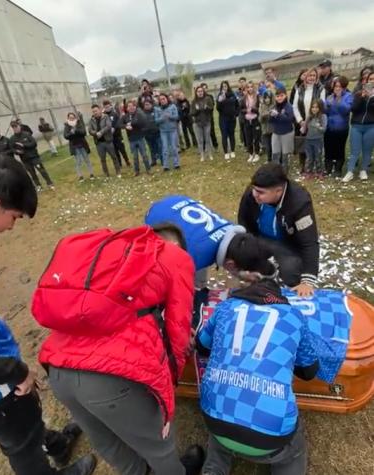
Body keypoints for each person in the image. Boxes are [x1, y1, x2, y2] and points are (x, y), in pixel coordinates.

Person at [0, 156, 94, 475]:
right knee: (20, 442)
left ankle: (55, 444)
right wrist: (18, 371)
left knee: (27, 419)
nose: (11, 226)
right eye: (14, 217)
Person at [38, 223, 204, 475]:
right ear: (177, 247)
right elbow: (179, 329)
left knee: (105, 440)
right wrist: (170, 380)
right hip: (111, 379)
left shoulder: (114, 254)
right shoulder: (174, 258)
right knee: (159, 446)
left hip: (58, 367)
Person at [196, 237, 318, 475]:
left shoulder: (225, 308)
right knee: (294, 451)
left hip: (214, 418)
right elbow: (309, 371)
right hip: (271, 437)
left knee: (220, 437)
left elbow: (202, 346)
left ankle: (213, 468)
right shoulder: (294, 317)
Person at [237, 163, 319, 297]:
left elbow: (309, 242)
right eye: (254, 189)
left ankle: (288, 288)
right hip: (260, 238)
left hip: (288, 244)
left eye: (261, 193)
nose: (255, 194)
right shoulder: (251, 194)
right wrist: (243, 260)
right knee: (244, 254)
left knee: (290, 269)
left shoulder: (299, 201)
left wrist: (307, 281)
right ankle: (262, 278)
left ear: (279, 191)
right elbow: (243, 224)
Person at [343, 71, 374, 182]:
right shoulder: (358, 94)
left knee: (367, 150)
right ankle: (350, 171)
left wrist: (372, 98)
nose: (372, 81)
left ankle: (363, 170)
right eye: (370, 79)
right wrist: (362, 97)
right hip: (357, 125)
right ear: (366, 81)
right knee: (354, 150)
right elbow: (354, 109)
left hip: (370, 126)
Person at [292, 69, 325, 173]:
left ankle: (316, 167)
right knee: (303, 144)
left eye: (313, 75)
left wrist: (312, 121)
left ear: (316, 77)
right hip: (301, 122)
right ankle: (304, 166)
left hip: (314, 123)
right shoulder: (300, 89)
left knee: (315, 145)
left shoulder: (320, 89)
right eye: (309, 75)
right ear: (305, 77)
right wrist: (300, 120)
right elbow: (295, 106)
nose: (311, 77)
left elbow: (322, 106)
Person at [11, 120, 55, 191]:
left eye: (16, 126)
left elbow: (34, 143)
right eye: (14, 128)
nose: (15, 128)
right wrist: (17, 151)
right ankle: (38, 185)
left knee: (42, 170)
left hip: (34, 157)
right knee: (32, 173)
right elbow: (12, 148)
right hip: (25, 159)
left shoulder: (27, 134)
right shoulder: (12, 139)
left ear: (19, 126)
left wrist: (24, 145)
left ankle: (49, 183)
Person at [324, 76, 353, 178]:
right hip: (329, 127)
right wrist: (326, 105)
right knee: (328, 148)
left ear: (344, 88)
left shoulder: (348, 96)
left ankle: (338, 168)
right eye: (336, 86)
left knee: (339, 149)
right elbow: (325, 111)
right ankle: (328, 167)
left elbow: (346, 110)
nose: (337, 89)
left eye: (340, 87)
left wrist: (339, 100)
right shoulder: (330, 96)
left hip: (341, 128)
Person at [88, 105, 121, 177]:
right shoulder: (91, 120)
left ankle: (118, 171)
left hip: (108, 141)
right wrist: (95, 133)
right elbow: (90, 130)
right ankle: (106, 173)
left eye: (96, 111)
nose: (95, 113)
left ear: (99, 110)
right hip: (99, 143)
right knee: (102, 159)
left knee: (114, 157)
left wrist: (101, 132)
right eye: (93, 111)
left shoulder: (105, 116)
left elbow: (108, 126)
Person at [268, 86, 296, 171]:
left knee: (285, 155)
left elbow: (289, 119)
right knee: (275, 154)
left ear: (285, 95)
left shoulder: (289, 106)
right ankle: (276, 172)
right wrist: (271, 116)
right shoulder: (274, 106)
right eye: (277, 96)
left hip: (286, 133)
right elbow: (271, 121)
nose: (279, 98)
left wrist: (278, 115)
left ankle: (284, 172)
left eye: (281, 95)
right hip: (276, 133)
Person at [121, 100, 152, 176]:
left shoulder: (139, 114)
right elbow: (118, 124)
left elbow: (143, 123)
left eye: (132, 106)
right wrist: (126, 126)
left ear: (135, 107)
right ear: (127, 108)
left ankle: (148, 169)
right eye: (129, 106)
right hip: (131, 140)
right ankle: (136, 171)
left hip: (140, 138)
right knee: (135, 157)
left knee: (144, 155)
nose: (131, 108)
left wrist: (131, 124)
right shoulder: (125, 116)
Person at [63, 112, 94, 182]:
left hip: (82, 145)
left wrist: (76, 131)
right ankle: (80, 176)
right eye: (70, 118)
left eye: (73, 117)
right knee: (78, 161)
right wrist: (71, 132)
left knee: (87, 159)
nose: (71, 119)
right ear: (68, 118)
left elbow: (84, 132)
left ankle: (91, 174)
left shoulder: (79, 123)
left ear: (75, 117)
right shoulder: (67, 126)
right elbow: (65, 136)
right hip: (74, 146)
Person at [155, 94, 181, 171]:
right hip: (163, 132)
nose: (162, 100)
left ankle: (176, 164)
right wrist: (162, 118)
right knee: (165, 148)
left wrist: (170, 116)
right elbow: (156, 121)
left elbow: (176, 117)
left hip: (172, 130)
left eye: (164, 99)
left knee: (174, 147)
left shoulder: (172, 107)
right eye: (161, 99)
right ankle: (165, 166)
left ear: (167, 99)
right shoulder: (157, 109)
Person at [103, 100, 131, 167]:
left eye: (108, 106)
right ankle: (119, 163)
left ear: (110, 106)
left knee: (122, 149)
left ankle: (127, 161)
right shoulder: (104, 115)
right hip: (110, 137)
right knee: (115, 151)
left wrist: (114, 128)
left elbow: (118, 122)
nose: (107, 108)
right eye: (106, 107)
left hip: (118, 135)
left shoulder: (114, 113)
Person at [303, 99, 327, 178]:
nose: (314, 109)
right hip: (308, 140)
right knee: (309, 157)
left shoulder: (323, 117)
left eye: (317, 107)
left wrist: (318, 127)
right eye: (313, 107)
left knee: (318, 157)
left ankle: (319, 171)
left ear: (320, 108)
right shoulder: (309, 117)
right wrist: (303, 127)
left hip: (318, 140)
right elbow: (304, 128)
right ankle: (309, 171)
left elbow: (324, 129)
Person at [191, 86, 215, 162]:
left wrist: (207, 107)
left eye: (201, 91)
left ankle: (210, 154)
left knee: (207, 139)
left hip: (207, 122)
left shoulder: (208, 99)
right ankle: (202, 155)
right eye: (198, 91)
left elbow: (212, 108)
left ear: (203, 92)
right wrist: (197, 110)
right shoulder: (194, 101)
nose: (200, 92)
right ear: (196, 93)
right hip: (198, 123)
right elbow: (191, 113)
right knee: (200, 140)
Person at [217, 81, 239, 159]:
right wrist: (220, 100)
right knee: (224, 135)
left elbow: (237, 105)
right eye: (223, 87)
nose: (224, 88)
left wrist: (236, 113)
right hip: (223, 119)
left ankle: (232, 151)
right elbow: (218, 108)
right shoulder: (220, 96)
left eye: (225, 86)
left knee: (231, 134)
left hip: (232, 118)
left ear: (228, 86)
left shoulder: (233, 95)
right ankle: (226, 152)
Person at [241, 83, 262, 163]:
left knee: (256, 137)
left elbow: (259, 109)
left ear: (253, 88)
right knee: (248, 138)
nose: (250, 89)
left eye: (251, 87)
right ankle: (250, 154)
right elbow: (241, 109)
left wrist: (253, 110)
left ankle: (257, 153)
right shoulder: (243, 98)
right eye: (248, 87)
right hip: (247, 120)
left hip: (255, 120)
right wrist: (246, 110)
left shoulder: (257, 97)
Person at [141, 100, 162, 166]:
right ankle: (154, 160)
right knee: (151, 148)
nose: (147, 106)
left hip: (156, 132)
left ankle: (163, 160)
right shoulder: (142, 113)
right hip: (147, 134)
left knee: (160, 147)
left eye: (148, 104)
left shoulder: (156, 111)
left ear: (151, 104)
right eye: (145, 105)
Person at [258, 88, 275, 163]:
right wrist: (263, 116)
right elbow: (260, 119)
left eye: (269, 98)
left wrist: (269, 114)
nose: (267, 100)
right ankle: (269, 159)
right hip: (265, 130)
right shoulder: (262, 106)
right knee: (268, 146)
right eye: (265, 98)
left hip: (273, 129)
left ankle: (275, 159)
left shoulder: (274, 106)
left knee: (273, 145)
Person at [201, 83, 220, 149]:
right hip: (202, 118)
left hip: (209, 117)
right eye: (203, 88)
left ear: (207, 88)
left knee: (212, 132)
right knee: (203, 133)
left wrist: (207, 107)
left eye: (205, 88)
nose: (204, 89)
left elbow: (212, 106)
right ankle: (204, 147)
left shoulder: (210, 96)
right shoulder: (199, 97)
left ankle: (215, 145)